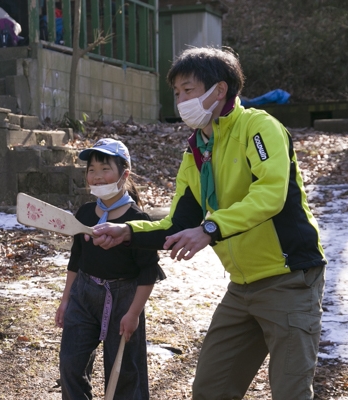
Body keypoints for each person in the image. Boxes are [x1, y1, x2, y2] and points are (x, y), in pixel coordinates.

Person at [90, 47, 326, 399]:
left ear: (220, 90)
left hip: (290, 280)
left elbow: (270, 195)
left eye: (189, 90)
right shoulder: (197, 150)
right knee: (210, 390)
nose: (181, 101)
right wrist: (126, 231)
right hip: (241, 288)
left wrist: (210, 229)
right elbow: (177, 223)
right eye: (177, 93)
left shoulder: (259, 128)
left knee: (291, 392)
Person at [56, 138, 165, 399]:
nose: (97, 177)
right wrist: (65, 300)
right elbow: (76, 260)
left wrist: (134, 314)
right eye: (91, 170)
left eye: (105, 169)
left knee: (126, 373)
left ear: (123, 174)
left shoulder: (137, 222)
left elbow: (148, 273)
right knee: (71, 363)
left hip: (125, 299)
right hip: (84, 295)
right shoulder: (84, 214)